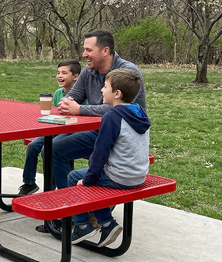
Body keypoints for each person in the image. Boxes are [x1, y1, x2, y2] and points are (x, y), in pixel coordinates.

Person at [52, 29, 147, 191]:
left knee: (91, 160)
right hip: (94, 130)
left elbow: (115, 109)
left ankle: (83, 207)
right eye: (84, 50)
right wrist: (66, 103)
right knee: (51, 148)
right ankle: (69, 203)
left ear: (105, 51)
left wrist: (80, 109)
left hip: (120, 137)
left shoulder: (127, 73)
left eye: (89, 50)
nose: (84, 54)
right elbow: (72, 97)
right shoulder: (88, 71)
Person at [67, 69, 150, 247]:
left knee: (75, 177)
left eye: (105, 87)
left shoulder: (112, 116)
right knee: (93, 180)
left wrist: (88, 179)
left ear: (117, 94)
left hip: (121, 176)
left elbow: (100, 153)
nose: (101, 91)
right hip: (138, 174)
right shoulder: (139, 112)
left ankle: (82, 225)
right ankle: (106, 224)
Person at [18, 59, 85, 195]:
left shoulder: (84, 95)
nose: (59, 76)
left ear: (75, 77)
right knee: (32, 146)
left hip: (73, 131)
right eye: (58, 72)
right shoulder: (58, 93)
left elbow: (84, 118)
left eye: (64, 73)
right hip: (57, 128)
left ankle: (52, 187)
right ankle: (29, 182)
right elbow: (56, 115)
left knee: (48, 149)